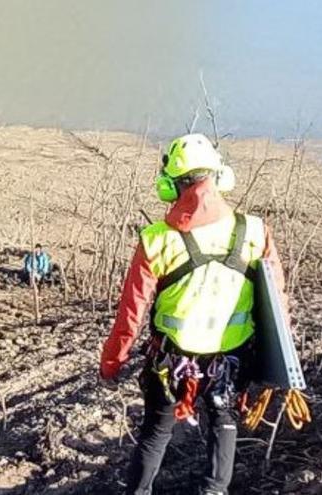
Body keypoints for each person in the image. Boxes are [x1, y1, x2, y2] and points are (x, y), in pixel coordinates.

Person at [99, 134, 289, 494]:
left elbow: (131, 315)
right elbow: (276, 302)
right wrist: (278, 364)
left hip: (169, 364)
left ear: (169, 185)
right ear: (220, 177)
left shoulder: (156, 239)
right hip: (231, 362)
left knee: (156, 433)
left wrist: (112, 363)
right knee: (223, 423)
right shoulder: (255, 231)